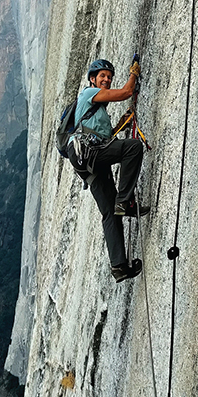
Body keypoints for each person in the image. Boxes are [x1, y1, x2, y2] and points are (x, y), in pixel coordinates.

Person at [68, 58, 148, 282]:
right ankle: (125, 201)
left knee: (110, 214)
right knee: (133, 148)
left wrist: (118, 125)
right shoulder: (88, 93)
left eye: (109, 77)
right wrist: (134, 73)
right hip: (88, 152)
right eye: (102, 76)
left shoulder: (95, 111)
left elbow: (104, 139)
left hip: (87, 161)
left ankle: (119, 267)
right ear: (92, 79)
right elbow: (125, 93)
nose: (106, 80)